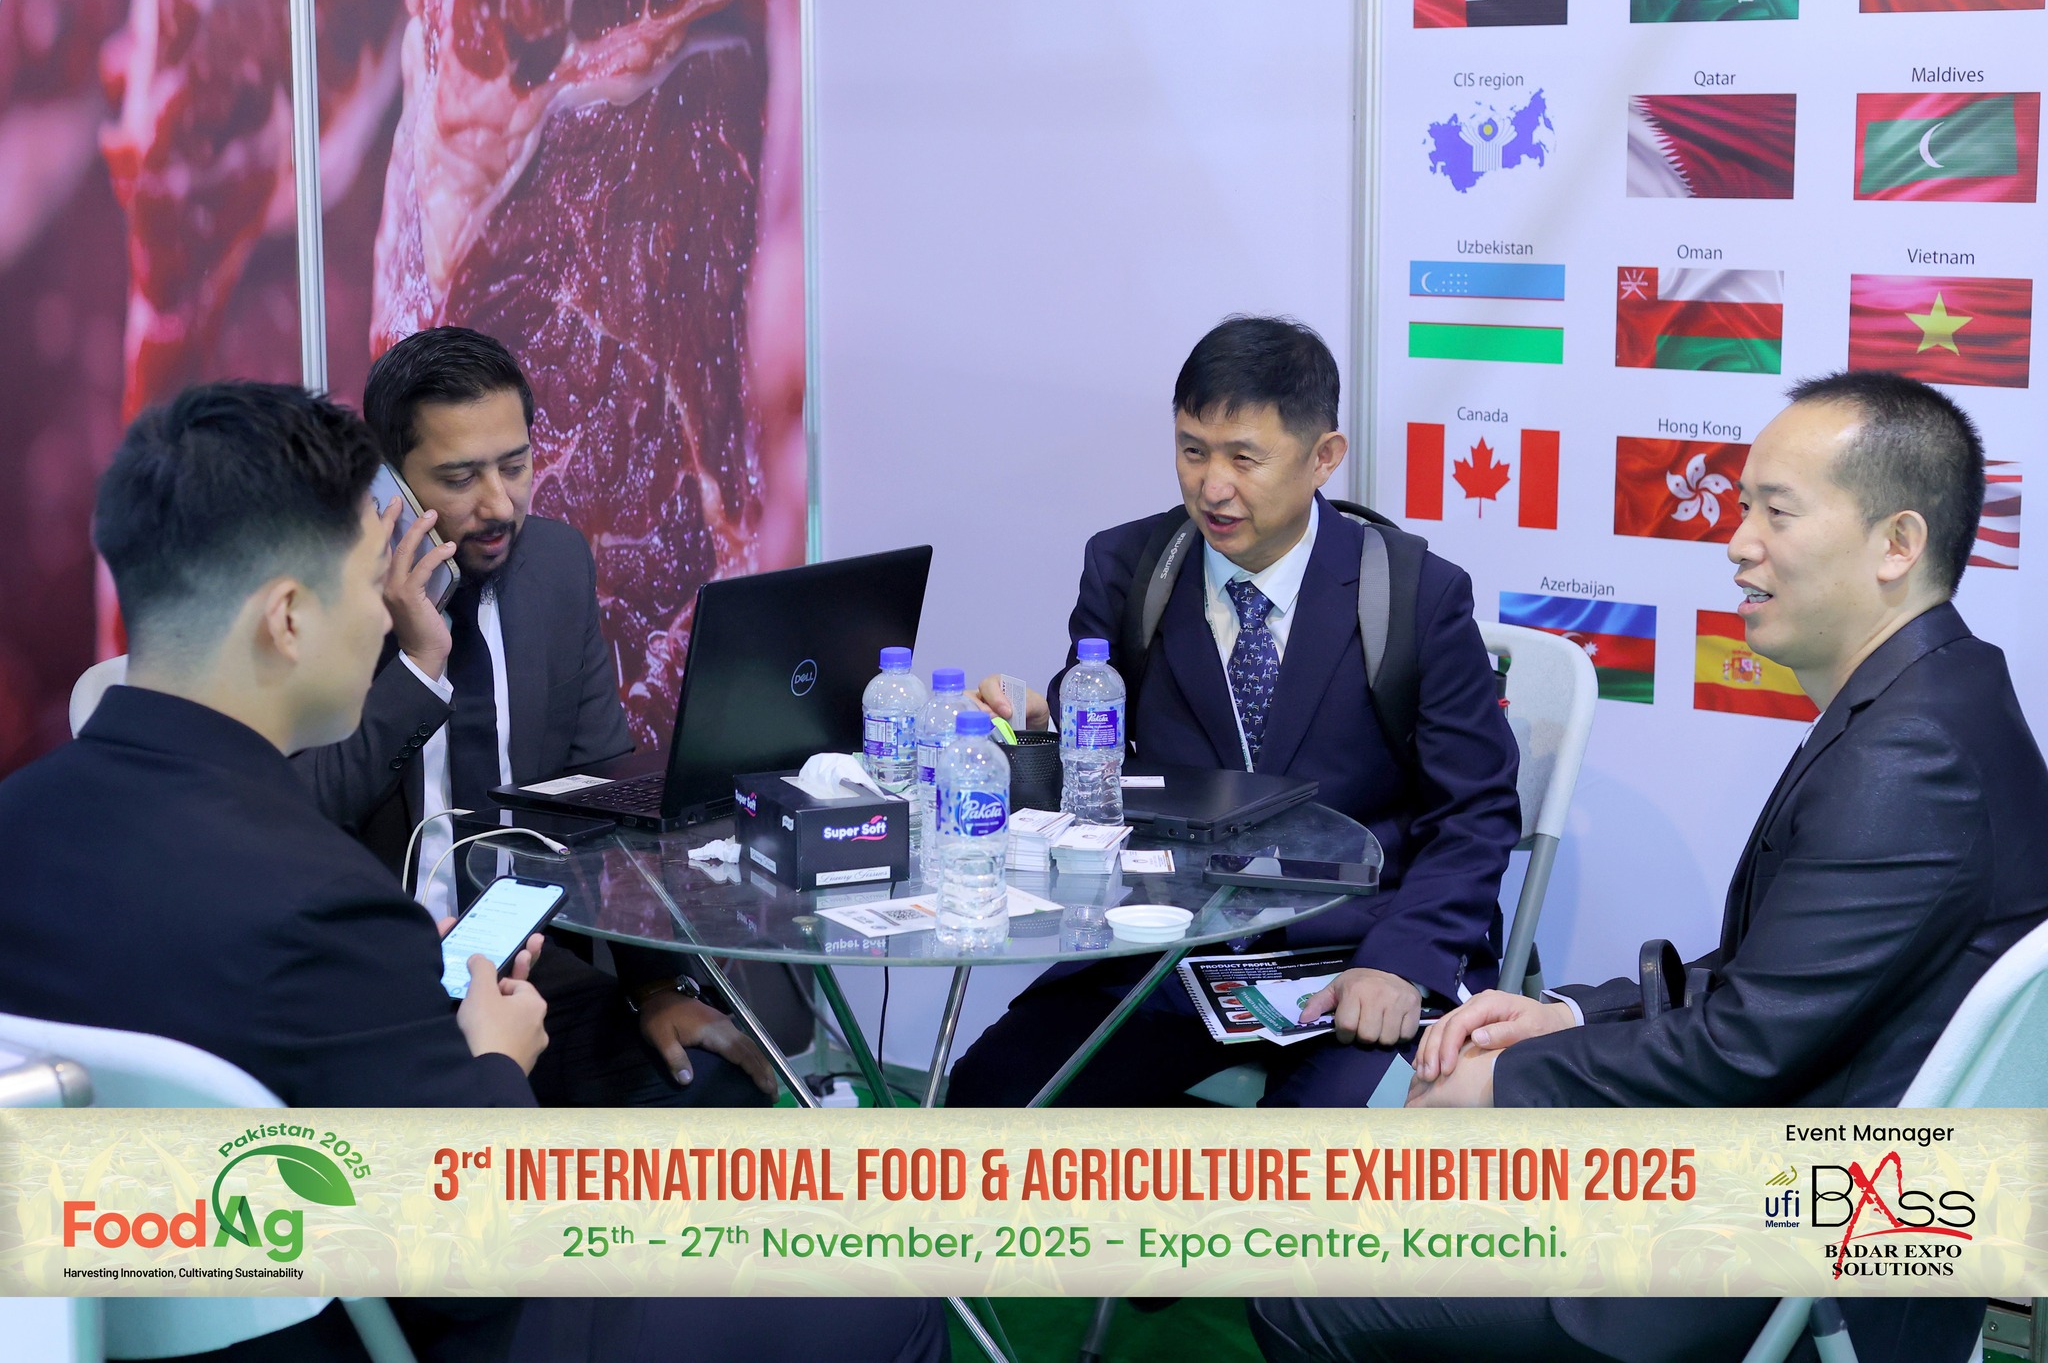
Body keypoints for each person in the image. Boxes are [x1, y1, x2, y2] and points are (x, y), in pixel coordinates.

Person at [0, 381, 947, 1363]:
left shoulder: (19, 827)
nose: (387, 617)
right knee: (889, 1295)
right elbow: (480, 1257)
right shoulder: (323, 901)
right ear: (287, 619)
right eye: (369, 585)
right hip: (407, 1327)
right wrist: (494, 1057)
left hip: (97, 1318)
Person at [1250, 372, 2044, 1362]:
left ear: (1897, 544)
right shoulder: (1935, 700)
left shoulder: (1911, 757)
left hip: (1790, 1241)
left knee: (1304, 1280)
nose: (1738, 542)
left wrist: (1506, 1083)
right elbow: (1782, 987)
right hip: (1809, 1185)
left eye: (1777, 512)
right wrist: (1568, 1016)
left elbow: (1746, 1046)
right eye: (1743, 507)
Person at [948, 316, 1522, 1108]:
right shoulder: (1129, 569)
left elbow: (1475, 813)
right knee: (993, 1094)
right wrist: (1036, 733)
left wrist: (1402, 960)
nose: (1212, 487)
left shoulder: (1416, 594)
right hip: (1168, 950)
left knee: (1318, 1153)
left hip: (1359, 948)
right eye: (1193, 450)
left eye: (1244, 458)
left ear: (1324, 457)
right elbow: (1094, 777)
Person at [293, 326, 774, 1110]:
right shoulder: (322, 602)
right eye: (460, 477)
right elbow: (298, 812)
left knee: (718, 1086)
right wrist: (416, 663)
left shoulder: (555, 566)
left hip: (528, 966)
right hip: (376, 992)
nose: (499, 504)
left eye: (514, 466)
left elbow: (604, 798)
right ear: (390, 485)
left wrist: (655, 985)